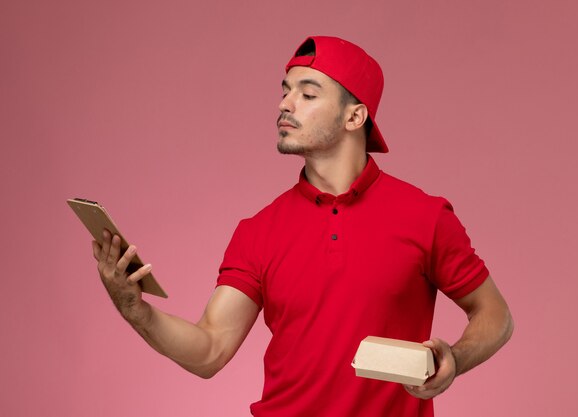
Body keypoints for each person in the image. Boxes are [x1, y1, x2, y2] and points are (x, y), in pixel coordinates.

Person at [92, 36, 514, 416]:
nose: (285, 104)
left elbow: (495, 315)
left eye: (308, 93)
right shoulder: (257, 231)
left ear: (355, 117)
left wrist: (455, 359)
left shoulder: (424, 215)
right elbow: (210, 350)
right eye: (286, 90)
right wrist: (136, 309)